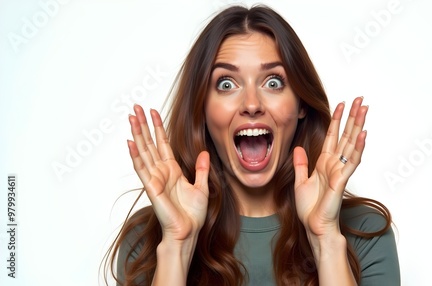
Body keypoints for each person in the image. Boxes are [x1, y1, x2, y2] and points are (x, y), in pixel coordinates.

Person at [102, 5, 400, 286]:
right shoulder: (148, 239)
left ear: (300, 104)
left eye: (273, 82)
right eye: (226, 84)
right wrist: (177, 246)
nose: (252, 104)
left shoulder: (364, 231)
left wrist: (325, 239)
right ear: (202, 110)